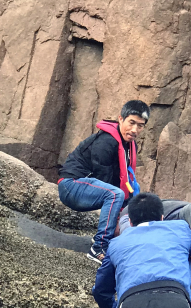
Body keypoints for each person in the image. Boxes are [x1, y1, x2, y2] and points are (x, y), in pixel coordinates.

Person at [59, 100, 150, 263]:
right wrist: (117, 217)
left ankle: (121, 242)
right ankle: (99, 247)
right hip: (71, 185)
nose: (135, 129)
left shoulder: (129, 145)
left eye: (140, 125)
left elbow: (125, 181)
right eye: (131, 122)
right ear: (121, 119)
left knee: (135, 195)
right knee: (116, 195)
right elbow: (105, 180)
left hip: (89, 187)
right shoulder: (107, 141)